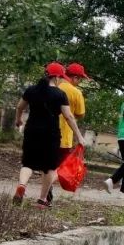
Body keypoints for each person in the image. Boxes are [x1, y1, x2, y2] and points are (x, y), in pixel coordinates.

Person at [13, 62, 85, 207]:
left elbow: (20, 107)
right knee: (49, 167)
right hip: (51, 134)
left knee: (28, 163)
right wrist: (79, 136)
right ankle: (42, 200)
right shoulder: (60, 94)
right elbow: (69, 116)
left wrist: (18, 119)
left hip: (32, 130)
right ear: (57, 77)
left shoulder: (31, 90)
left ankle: (22, 185)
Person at [48, 62, 88, 203]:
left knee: (48, 165)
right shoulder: (75, 92)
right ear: (75, 77)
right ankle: (46, 190)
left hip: (45, 131)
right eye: (80, 79)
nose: (80, 82)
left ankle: (45, 192)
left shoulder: (53, 85)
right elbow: (80, 114)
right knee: (60, 167)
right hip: (64, 135)